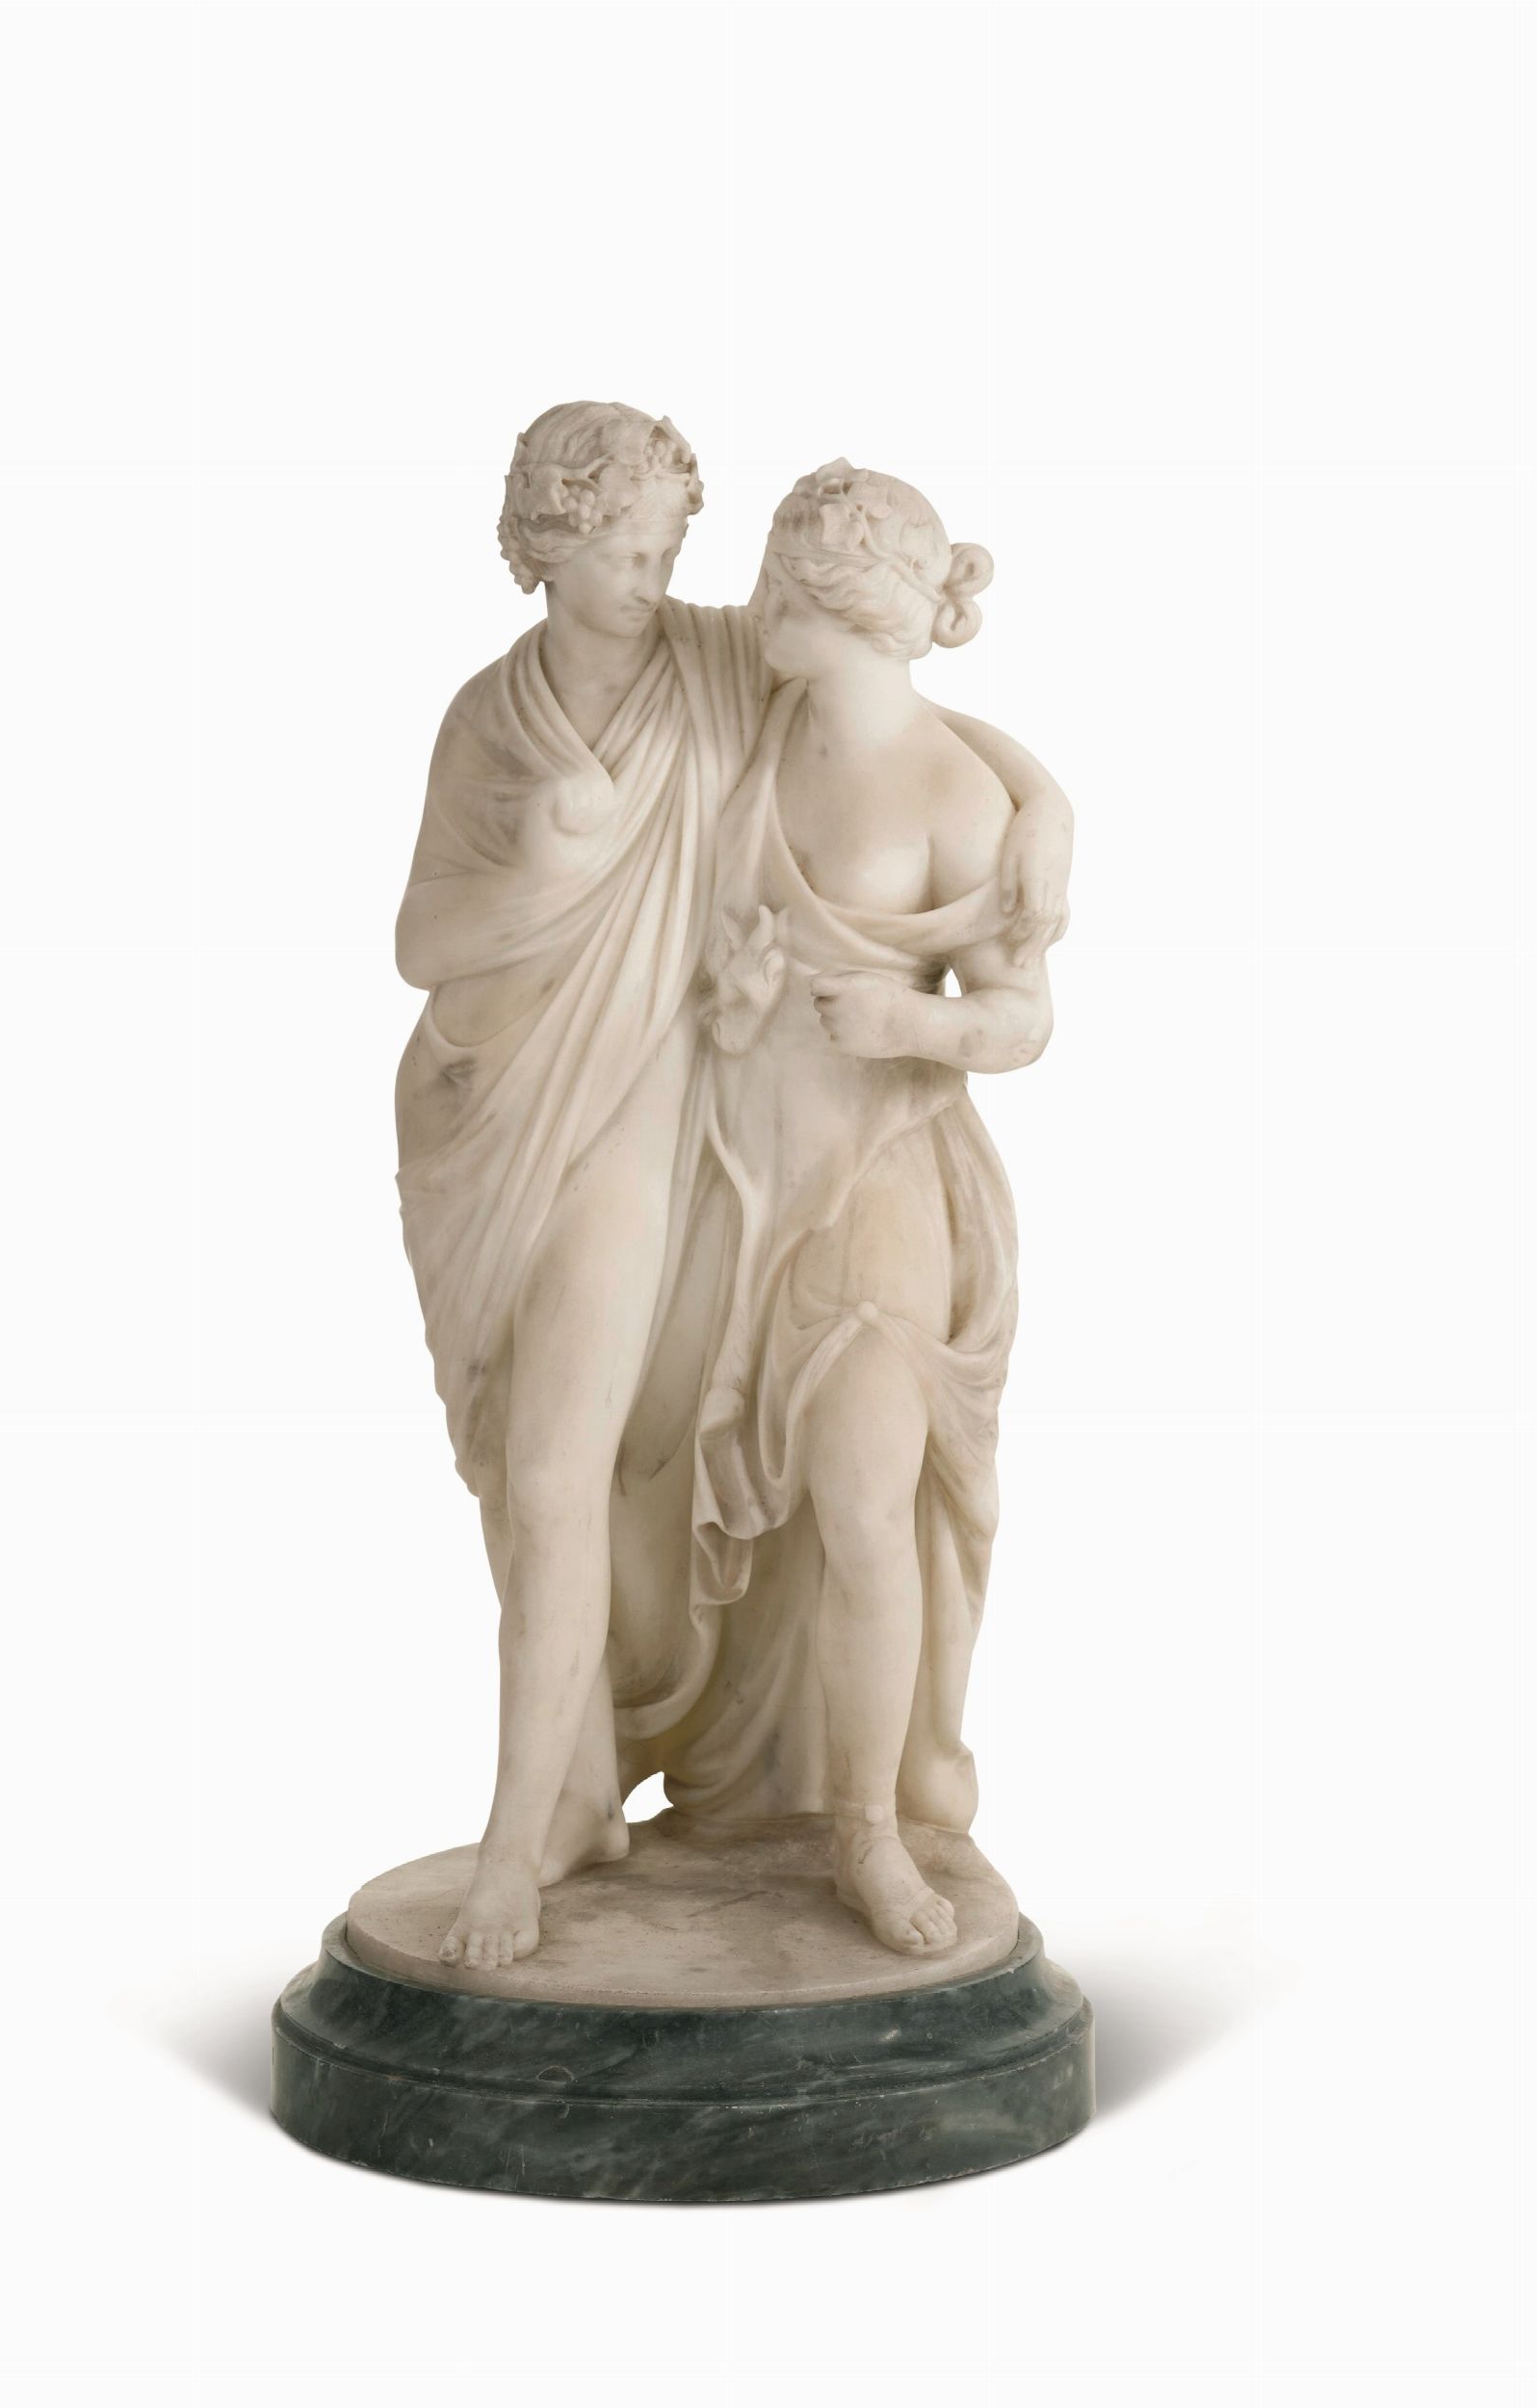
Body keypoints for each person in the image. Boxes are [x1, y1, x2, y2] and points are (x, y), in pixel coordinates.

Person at [396, 410, 1070, 1966]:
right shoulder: (594, 713)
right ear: (547, 550)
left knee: (819, 1497)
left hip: (789, 1167)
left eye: (674, 550)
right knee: (565, 1481)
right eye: (629, 550)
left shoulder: (750, 685)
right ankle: (566, 1803)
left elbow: (910, 713)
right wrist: (551, 877)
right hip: (625, 1153)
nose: (669, 579)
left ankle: (850, 1827)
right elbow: (423, 941)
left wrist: (1047, 815)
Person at [687, 461, 1055, 1954]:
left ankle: (869, 1828)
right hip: (724, 1175)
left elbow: (1023, 1017)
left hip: (879, 1178)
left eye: (781, 581)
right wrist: (733, 995)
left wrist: (913, 1024)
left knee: (862, 1502)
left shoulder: (954, 792)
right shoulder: (760, 732)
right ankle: (722, 1784)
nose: (756, 604)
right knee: (667, 1491)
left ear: (838, 602)